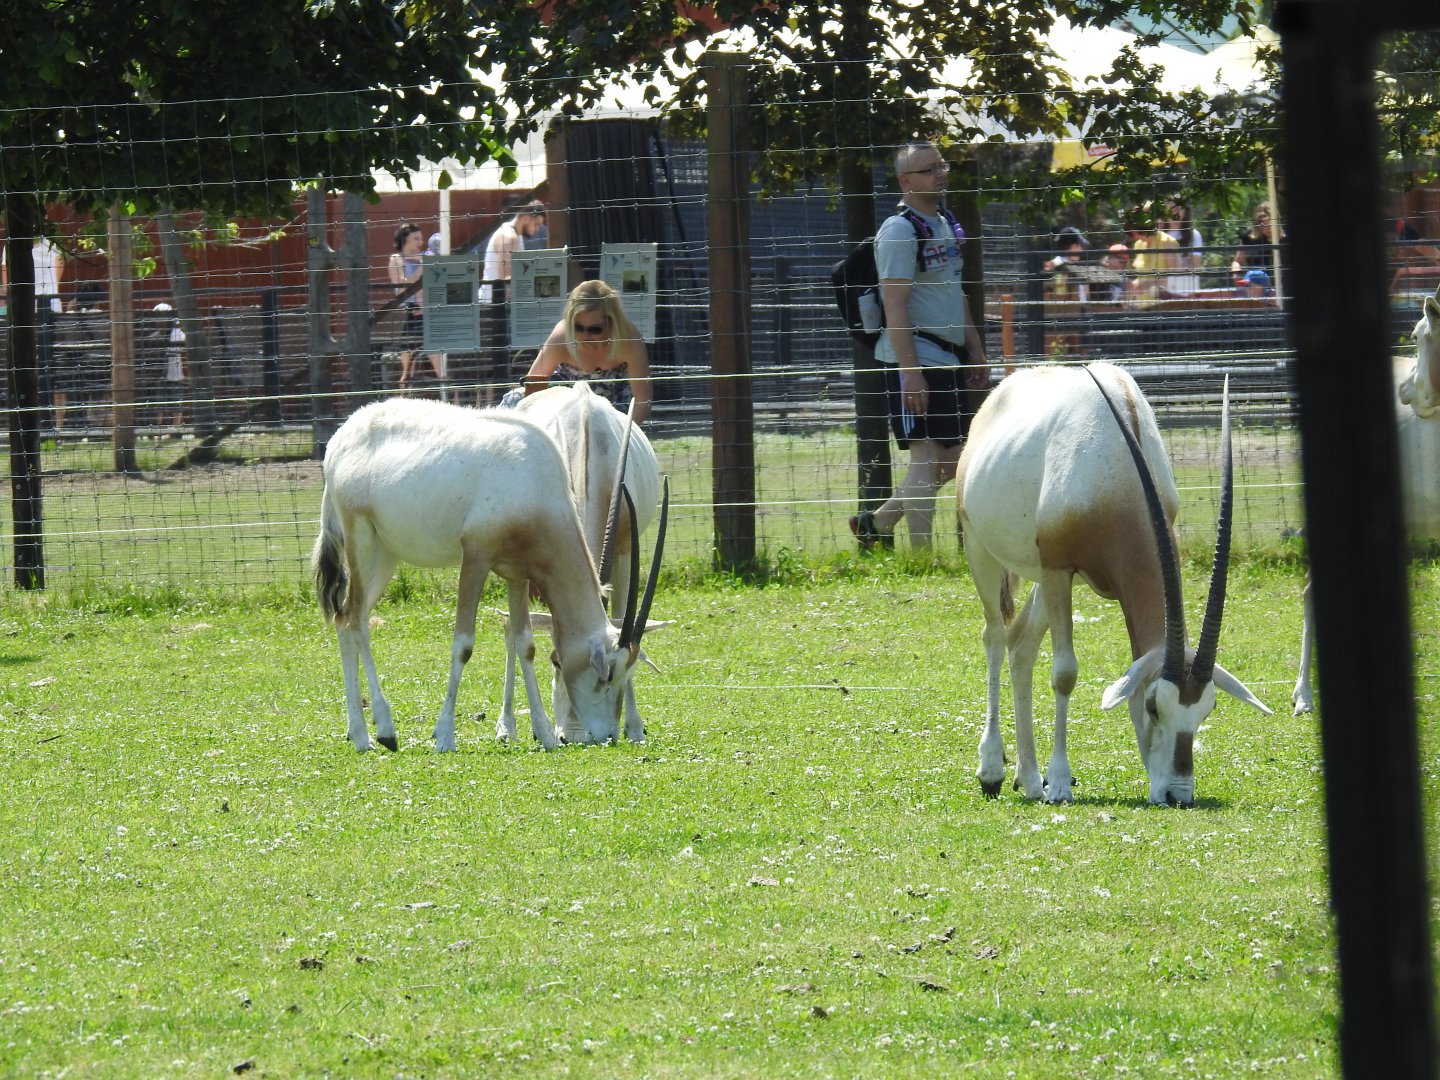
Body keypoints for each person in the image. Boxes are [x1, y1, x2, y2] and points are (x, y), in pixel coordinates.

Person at [848, 139, 988, 551]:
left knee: (955, 457)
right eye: (928, 169)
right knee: (926, 461)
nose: (940, 173)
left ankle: (881, 521)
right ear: (905, 180)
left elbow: (954, 291)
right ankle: (922, 557)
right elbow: (893, 304)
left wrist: (975, 349)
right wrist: (911, 374)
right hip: (915, 360)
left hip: (948, 357)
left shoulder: (943, 222)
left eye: (941, 166)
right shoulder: (899, 230)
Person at [507, 279, 652, 423]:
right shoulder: (562, 336)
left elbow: (642, 402)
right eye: (578, 328)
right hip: (566, 408)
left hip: (614, 413)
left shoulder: (629, 339)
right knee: (514, 400)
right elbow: (533, 385)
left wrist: (622, 437)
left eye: (595, 329)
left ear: (613, 323)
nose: (585, 336)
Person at [388, 222, 441, 387]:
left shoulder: (427, 257)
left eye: (421, 238)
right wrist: (421, 268)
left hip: (427, 311)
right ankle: (405, 380)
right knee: (407, 348)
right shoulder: (396, 260)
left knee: (434, 350)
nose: (420, 242)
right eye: (416, 238)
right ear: (405, 240)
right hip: (408, 310)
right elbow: (401, 286)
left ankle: (444, 382)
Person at [1160, 199, 1204, 295]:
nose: (1174, 213)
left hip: (1184, 291)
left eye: (1178, 209)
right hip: (1159, 291)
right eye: (1170, 209)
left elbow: (1195, 267)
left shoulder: (1194, 235)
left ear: (1185, 211)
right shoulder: (1158, 235)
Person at [1231, 202, 1279, 287]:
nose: (1268, 228)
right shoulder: (1248, 238)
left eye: (1271, 224)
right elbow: (1237, 262)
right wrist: (1237, 273)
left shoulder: (1284, 239)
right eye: (1264, 225)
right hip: (1256, 286)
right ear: (1258, 224)